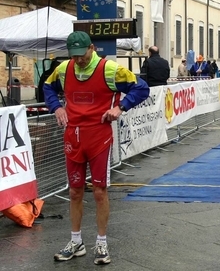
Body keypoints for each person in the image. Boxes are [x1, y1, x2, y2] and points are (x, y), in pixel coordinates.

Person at [43, 31, 150, 265]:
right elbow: (48, 87)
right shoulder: (63, 69)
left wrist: (120, 107)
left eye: (82, 55)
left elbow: (141, 88)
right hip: (73, 137)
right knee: (74, 191)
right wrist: (56, 108)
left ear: (92, 48)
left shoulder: (110, 69)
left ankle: (101, 243)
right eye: (74, 56)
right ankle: (76, 241)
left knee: (100, 191)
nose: (78, 60)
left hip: (99, 136)